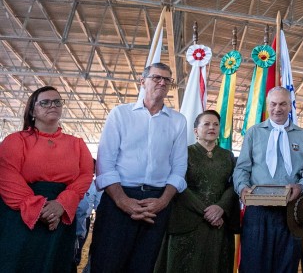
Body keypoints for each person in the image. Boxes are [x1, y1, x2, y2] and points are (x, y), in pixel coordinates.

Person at [90, 63, 188, 272]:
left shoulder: (178, 121)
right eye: (156, 78)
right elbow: (105, 163)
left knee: (143, 265)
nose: (162, 82)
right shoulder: (120, 114)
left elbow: (179, 167)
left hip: (156, 203)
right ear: (142, 82)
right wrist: (123, 201)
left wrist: (162, 202)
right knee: (106, 263)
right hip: (118, 199)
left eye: (167, 80)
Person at [0, 86, 94, 273]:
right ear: (33, 111)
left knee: (55, 264)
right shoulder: (15, 140)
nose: (52, 105)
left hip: (60, 215)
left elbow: (85, 176)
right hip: (21, 214)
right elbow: (7, 175)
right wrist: (38, 208)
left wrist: (62, 204)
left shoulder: (77, 144)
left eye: (57, 101)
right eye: (45, 102)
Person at [234, 87, 303, 273]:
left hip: (290, 212)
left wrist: (301, 186)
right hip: (258, 213)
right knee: (253, 266)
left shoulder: (302, 135)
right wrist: (242, 188)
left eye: (283, 104)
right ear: (267, 106)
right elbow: (241, 168)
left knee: (286, 265)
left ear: (290, 106)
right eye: (273, 104)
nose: (277, 108)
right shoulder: (254, 133)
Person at [154, 110, 239, 273]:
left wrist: (220, 207)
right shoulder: (183, 153)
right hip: (187, 220)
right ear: (195, 131)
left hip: (219, 224)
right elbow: (179, 184)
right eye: (206, 124)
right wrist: (207, 212)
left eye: (215, 124)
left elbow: (233, 184)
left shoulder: (228, 156)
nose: (211, 127)